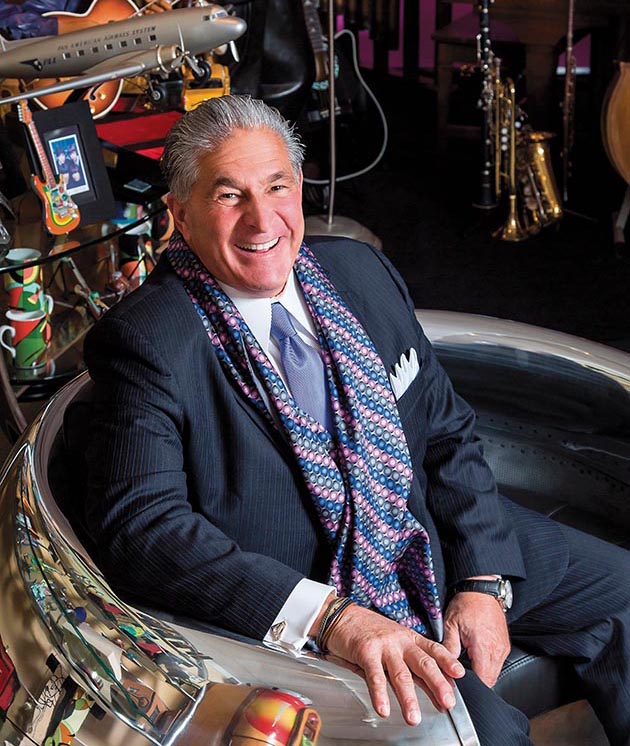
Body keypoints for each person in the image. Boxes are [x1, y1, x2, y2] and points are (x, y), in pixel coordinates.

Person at [84, 95, 630, 746]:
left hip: (419, 530)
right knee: (476, 737)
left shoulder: (359, 270)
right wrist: (333, 618)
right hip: (317, 588)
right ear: (179, 215)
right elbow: (144, 532)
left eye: (277, 186)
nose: (262, 219)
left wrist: (482, 580)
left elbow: (447, 430)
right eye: (229, 196)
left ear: (300, 187)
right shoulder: (148, 340)